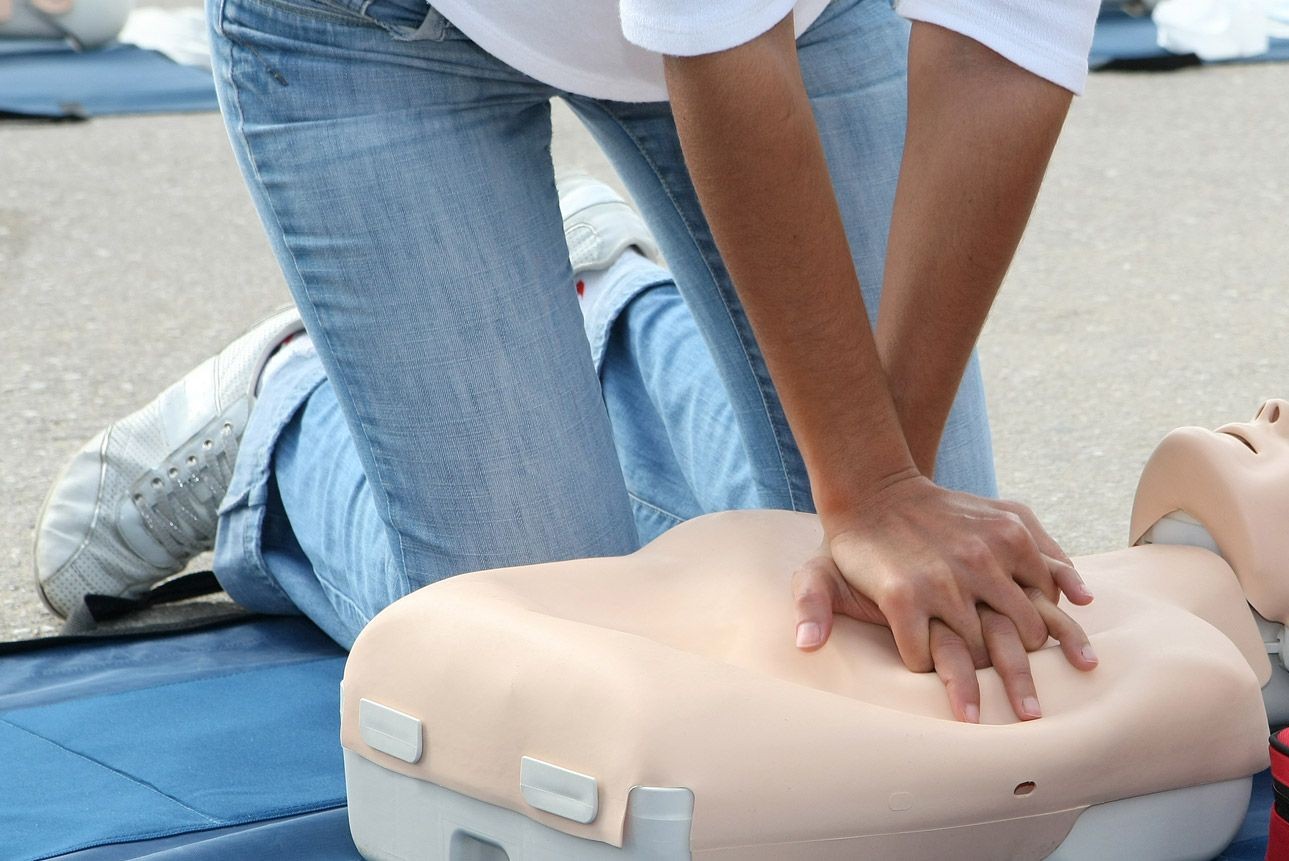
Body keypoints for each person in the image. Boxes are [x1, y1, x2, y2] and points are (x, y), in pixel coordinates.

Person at [30, 0, 1103, 724]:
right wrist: (866, 489)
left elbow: (996, 51)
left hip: (796, 24)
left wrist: (889, 495)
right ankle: (289, 417)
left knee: (888, 664)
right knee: (550, 682)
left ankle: (611, 315)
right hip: (371, 32)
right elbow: (719, 45)